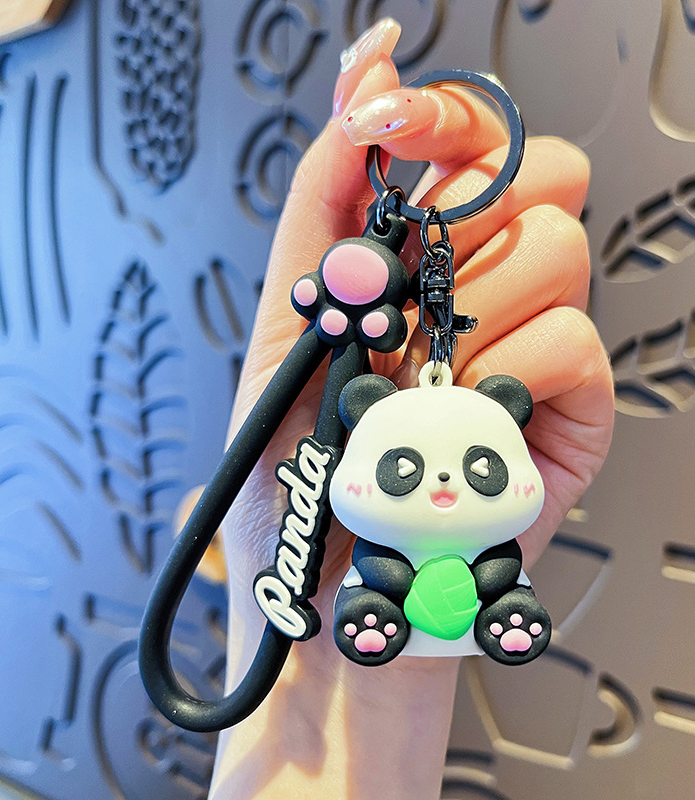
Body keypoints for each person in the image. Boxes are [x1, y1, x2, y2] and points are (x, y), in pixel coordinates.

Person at [207, 18, 614, 800]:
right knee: (382, 575)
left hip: (460, 582)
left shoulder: (480, 453)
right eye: (404, 471)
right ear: (360, 415)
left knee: (493, 576)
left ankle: (492, 611)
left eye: (479, 469)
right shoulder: (357, 419)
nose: (443, 488)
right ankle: (382, 613)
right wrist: (309, 645)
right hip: (369, 580)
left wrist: (376, 703)